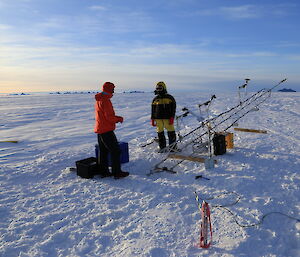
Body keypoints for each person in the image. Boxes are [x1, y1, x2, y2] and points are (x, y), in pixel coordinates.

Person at [94, 82, 129, 179]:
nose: (114, 90)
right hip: (106, 130)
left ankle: (104, 172)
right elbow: (109, 117)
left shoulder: (100, 99)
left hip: (100, 129)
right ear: (109, 89)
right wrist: (119, 119)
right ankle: (117, 172)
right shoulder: (105, 100)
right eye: (113, 88)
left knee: (103, 151)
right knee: (115, 151)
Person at [151, 81, 177, 152]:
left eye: (160, 88)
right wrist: (152, 119)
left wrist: (172, 117)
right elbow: (153, 110)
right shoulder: (155, 99)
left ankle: (173, 148)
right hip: (158, 119)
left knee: (171, 132)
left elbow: (173, 109)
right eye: (157, 88)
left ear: (164, 88)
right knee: (160, 133)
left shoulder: (170, 98)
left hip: (168, 119)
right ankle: (162, 147)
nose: (158, 90)